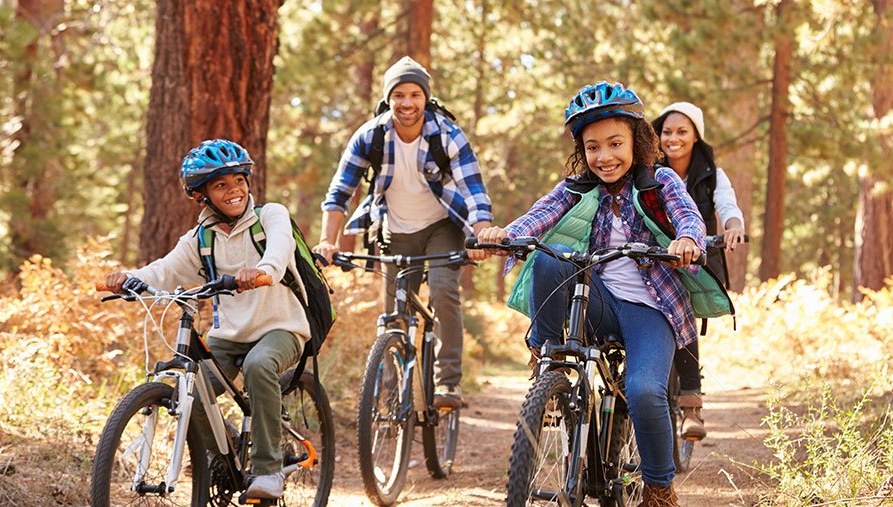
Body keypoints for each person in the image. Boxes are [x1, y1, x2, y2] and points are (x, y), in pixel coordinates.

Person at [478, 82, 708, 504]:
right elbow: (539, 216)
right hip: (598, 302)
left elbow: (688, 216)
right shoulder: (579, 186)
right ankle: (551, 362)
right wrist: (504, 237)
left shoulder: (661, 181)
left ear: (637, 141)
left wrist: (687, 240)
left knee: (642, 391)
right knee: (551, 255)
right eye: (593, 147)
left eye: (615, 143)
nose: (604, 157)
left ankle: (659, 487)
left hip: (649, 309)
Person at [104, 139, 308, 500]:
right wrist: (128, 277)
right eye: (220, 185)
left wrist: (261, 271)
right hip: (230, 334)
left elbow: (278, 252)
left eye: (238, 181)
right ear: (202, 195)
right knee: (189, 386)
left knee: (260, 366)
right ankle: (224, 445)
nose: (234, 191)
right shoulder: (201, 238)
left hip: (283, 327)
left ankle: (269, 469)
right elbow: (165, 269)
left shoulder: (270, 216)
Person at [314, 56, 493, 409]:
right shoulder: (370, 136)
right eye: (399, 95)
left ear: (425, 97)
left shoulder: (447, 134)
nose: (407, 103)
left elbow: (474, 192)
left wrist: (480, 234)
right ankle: (392, 398)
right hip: (394, 229)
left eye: (414, 94)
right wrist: (327, 241)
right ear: (388, 98)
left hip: (442, 225)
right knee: (394, 316)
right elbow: (339, 193)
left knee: (443, 290)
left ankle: (448, 383)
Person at [651, 102, 746, 441]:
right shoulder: (647, 169)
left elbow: (728, 207)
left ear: (695, 137)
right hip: (652, 256)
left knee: (683, 313)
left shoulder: (713, 175)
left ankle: (691, 406)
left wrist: (733, 228)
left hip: (694, 260)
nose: (672, 138)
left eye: (681, 132)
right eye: (666, 132)